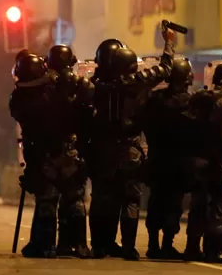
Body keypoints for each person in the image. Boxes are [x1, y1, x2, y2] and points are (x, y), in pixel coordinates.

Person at [87, 27, 176, 261]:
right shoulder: (138, 82)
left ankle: (99, 245)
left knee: (101, 199)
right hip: (130, 151)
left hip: (102, 151)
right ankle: (128, 247)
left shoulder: (93, 87)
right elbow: (166, 69)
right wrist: (169, 44)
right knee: (130, 199)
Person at [185, 71, 222, 264]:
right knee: (220, 204)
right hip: (213, 160)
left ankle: (192, 248)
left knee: (199, 205)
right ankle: (214, 251)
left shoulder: (205, 98)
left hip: (196, 158)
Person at [8, 52, 59, 258]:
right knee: (48, 197)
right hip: (50, 148)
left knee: (44, 196)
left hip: (35, 148)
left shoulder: (18, 97)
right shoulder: (50, 93)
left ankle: (41, 243)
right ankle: (46, 244)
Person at [46, 44, 94, 258]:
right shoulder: (81, 85)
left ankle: (47, 245)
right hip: (73, 148)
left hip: (50, 148)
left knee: (49, 198)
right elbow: (90, 113)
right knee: (73, 198)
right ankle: (79, 244)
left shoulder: (44, 86)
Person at [144, 57, 194, 260]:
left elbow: (144, 124)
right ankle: (166, 245)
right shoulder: (191, 103)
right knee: (173, 205)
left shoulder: (155, 99)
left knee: (156, 201)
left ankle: (152, 244)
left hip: (157, 158)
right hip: (179, 162)